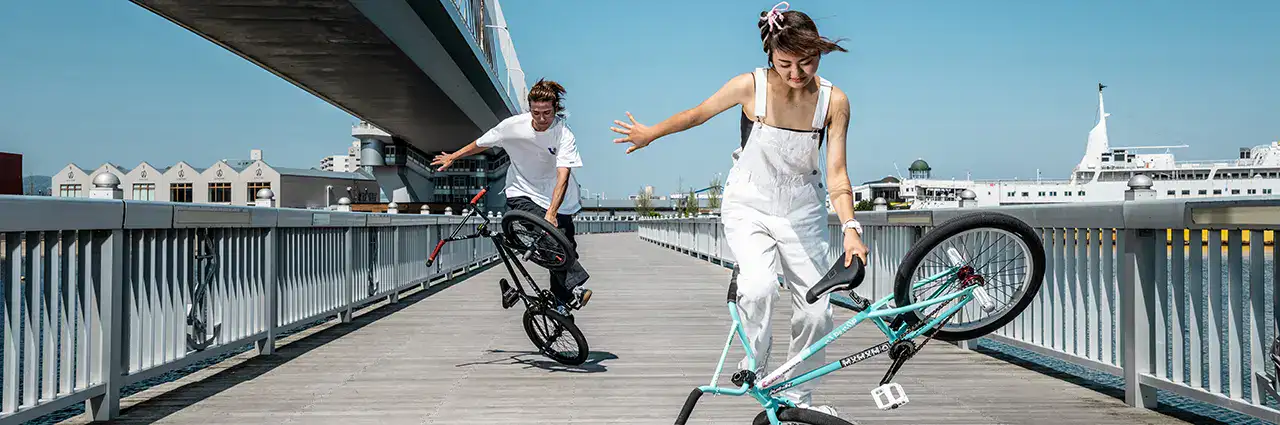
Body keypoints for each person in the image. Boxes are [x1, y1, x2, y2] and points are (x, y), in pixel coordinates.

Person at [609, 2, 868, 418]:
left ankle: (796, 395)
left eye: (807, 62)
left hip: (803, 209)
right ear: (770, 54)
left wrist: (851, 228)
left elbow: (837, 172)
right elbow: (697, 113)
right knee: (760, 287)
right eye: (786, 64)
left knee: (818, 311)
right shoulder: (752, 86)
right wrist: (650, 133)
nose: (797, 74)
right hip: (749, 202)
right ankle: (758, 366)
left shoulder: (834, 101)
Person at [432, 78, 592, 315]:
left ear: (555, 109)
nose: (541, 118)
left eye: (547, 113)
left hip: (559, 201)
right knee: (551, 238)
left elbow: (563, 176)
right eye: (536, 113)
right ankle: (576, 285)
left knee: (564, 249)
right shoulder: (513, 126)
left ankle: (561, 304)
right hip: (521, 191)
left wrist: (551, 212)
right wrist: (454, 156)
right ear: (530, 110)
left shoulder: (564, 135)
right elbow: (481, 143)